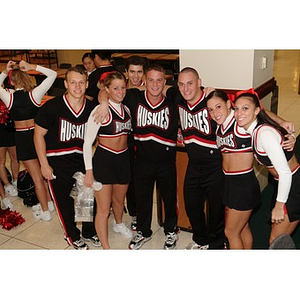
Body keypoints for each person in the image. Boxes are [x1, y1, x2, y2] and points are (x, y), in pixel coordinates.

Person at [97, 64, 179, 250]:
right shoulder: (134, 97)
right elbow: (105, 90)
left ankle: (171, 231)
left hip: (166, 161)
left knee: (169, 198)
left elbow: (193, 93)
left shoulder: (173, 99)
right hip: (142, 159)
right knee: (142, 198)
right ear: (145, 81)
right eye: (151, 80)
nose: (155, 84)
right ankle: (143, 231)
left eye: (159, 80)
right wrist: (103, 103)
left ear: (165, 82)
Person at [206, 90, 295, 249]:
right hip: (230, 183)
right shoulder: (221, 125)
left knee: (231, 232)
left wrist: (283, 125)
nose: (215, 113)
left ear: (228, 105)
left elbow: (261, 112)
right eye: (211, 109)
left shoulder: (241, 123)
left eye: (218, 107)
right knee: (243, 227)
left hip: (243, 184)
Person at [34, 67, 100, 250]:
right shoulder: (52, 107)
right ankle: (72, 235)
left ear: (87, 84)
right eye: (73, 82)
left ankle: (88, 231)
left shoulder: (92, 108)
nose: (77, 86)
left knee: (86, 198)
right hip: (56, 162)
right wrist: (44, 164)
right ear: (65, 84)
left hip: (81, 160)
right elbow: (38, 135)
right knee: (65, 203)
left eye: (81, 82)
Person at [166, 67, 225, 249]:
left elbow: (248, 111)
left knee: (216, 212)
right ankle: (201, 241)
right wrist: (104, 99)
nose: (186, 89)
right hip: (194, 166)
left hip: (215, 166)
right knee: (192, 206)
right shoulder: (177, 97)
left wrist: (280, 125)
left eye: (190, 83)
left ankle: (216, 245)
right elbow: (156, 87)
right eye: (182, 84)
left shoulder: (211, 101)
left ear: (200, 83)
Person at [234, 90, 300, 245]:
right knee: (279, 240)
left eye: (245, 108)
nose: (238, 113)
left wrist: (279, 205)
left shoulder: (264, 133)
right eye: (236, 109)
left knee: (276, 241)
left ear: (257, 111)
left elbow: (285, 173)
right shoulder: (254, 128)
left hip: (293, 184)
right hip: (285, 183)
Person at [0, 60, 56, 221]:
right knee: (45, 173)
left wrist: (4, 71)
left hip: (23, 139)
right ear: (27, 77)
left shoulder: (8, 98)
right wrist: (33, 67)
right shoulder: (35, 94)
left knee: (37, 177)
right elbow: (52, 75)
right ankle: (50, 203)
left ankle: (45, 211)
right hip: (38, 137)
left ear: (11, 81)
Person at [83, 71, 133, 250]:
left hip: (123, 160)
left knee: (119, 201)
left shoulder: (126, 109)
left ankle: (119, 224)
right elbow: (87, 143)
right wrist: (89, 171)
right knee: (103, 209)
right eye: (115, 88)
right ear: (107, 90)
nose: (120, 92)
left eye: (122, 88)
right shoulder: (100, 110)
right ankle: (106, 247)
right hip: (104, 160)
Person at [124, 55, 148, 230]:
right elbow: (103, 92)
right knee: (130, 180)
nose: (135, 76)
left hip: (147, 143)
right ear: (126, 72)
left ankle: (143, 212)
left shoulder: (150, 90)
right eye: (132, 71)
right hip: (127, 142)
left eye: (139, 72)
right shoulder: (121, 91)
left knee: (144, 181)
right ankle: (134, 213)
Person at [0, 99, 19, 199]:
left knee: (15, 156)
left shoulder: (8, 94)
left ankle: (16, 181)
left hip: (10, 129)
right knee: (1, 161)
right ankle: (7, 185)